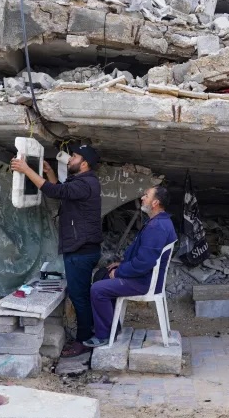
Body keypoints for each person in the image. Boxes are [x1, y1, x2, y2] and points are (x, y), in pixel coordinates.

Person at [11, 144, 102, 357]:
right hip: (81, 249)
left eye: (75, 157)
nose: (70, 159)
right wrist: (50, 173)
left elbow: (54, 191)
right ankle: (89, 333)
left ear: (85, 164)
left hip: (81, 251)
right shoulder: (82, 182)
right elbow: (62, 192)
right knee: (80, 295)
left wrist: (26, 169)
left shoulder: (86, 184)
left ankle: (83, 340)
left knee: (79, 297)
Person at [82, 186, 177, 347]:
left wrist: (119, 272)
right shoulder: (158, 221)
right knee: (101, 274)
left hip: (144, 282)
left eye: (146, 195)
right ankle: (111, 326)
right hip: (144, 276)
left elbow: (144, 263)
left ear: (155, 203)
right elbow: (144, 257)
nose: (142, 198)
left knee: (98, 289)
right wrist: (121, 264)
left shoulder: (157, 227)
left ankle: (104, 335)